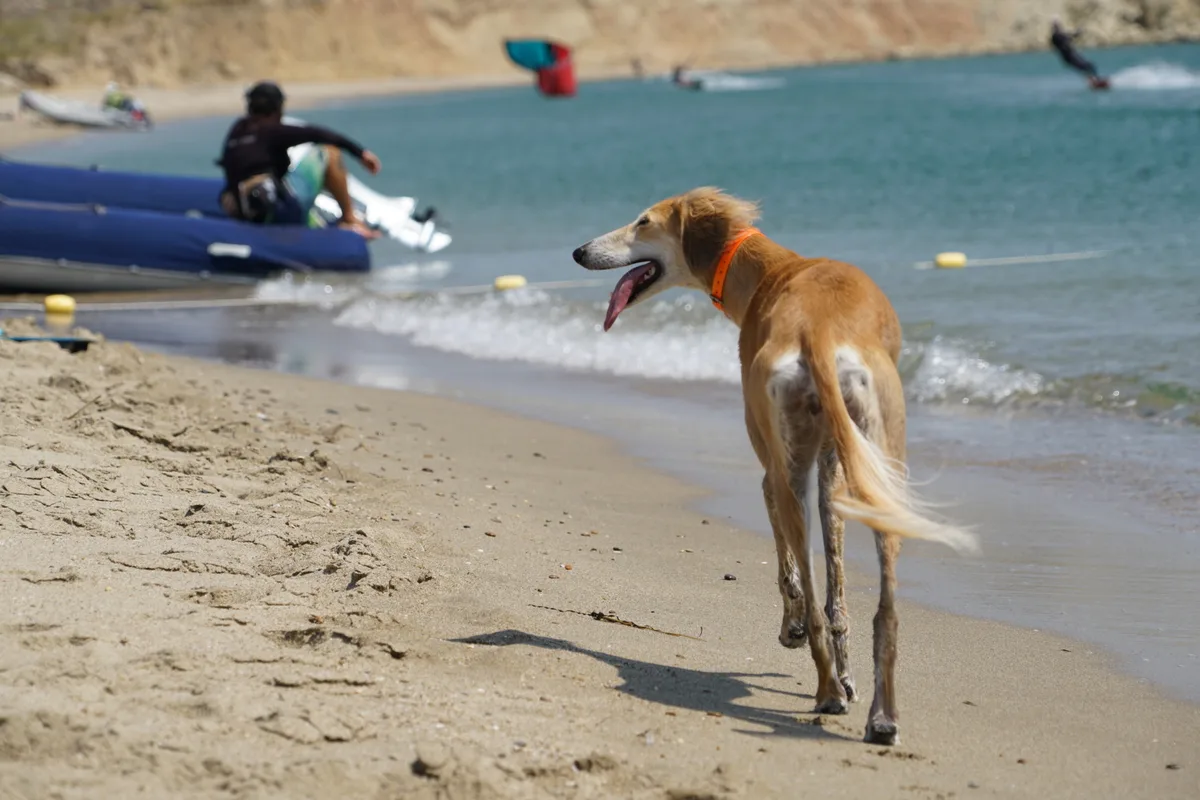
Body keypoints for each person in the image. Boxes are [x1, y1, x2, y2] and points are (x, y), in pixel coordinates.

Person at [216, 80, 382, 238]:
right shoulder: (273, 130)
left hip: (244, 212)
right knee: (329, 152)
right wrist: (360, 153)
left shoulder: (237, 130)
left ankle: (314, 226)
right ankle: (349, 218)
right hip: (277, 212)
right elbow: (320, 135)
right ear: (278, 107)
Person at [1050, 19, 1103, 85]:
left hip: (1072, 55)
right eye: (1057, 25)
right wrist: (1076, 33)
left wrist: (1078, 32)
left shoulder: (1060, 34)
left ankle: (1094, 80)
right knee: (1088, 66)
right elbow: (1066, 37)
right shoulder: (1056, 36)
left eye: (1058, 25)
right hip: (1069, 57)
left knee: (1089, 66)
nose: (1059, 26)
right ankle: (1095, 80)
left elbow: (1071, 36)